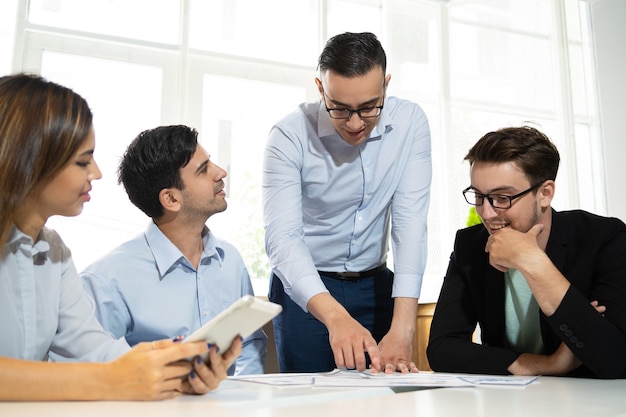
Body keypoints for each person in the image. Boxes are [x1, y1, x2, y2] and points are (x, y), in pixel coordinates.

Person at [0, 73, 242, 401]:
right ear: (28, 161)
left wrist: (175, 374)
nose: (96, 173)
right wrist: (111, 379)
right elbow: (105, 371)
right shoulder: (107, 274)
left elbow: (94, 349)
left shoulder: (54, 253)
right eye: (83, 160)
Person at [263, 32, 432, 373]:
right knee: (308, 402)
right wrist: (335, 316)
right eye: (339, 109)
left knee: (381, 399)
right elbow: (283, 239)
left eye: (370, 107)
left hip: (376, 286)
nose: (355, 123)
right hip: (306, 291)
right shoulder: (289, 135)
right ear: (320, 88)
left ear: (386, 84)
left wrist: (404, 326)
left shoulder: (411, 123)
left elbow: (409, 224)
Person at [427, 126, 626, 378]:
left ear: (545, 194)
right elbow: (442, 350)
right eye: (478, 196)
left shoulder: (603, 238)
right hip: (510, 402)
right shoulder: (470, 246)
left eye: (502, 198)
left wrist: (533, 262)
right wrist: (548, 364)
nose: (487, 213)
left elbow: (616, 359)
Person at [81, 125, 266, 376]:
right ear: (171, 199)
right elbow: (95, 371)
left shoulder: (230, 260)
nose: (221, 172)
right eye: (203, 170)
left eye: (210, 161)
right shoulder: (106, 281)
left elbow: (249, 345)